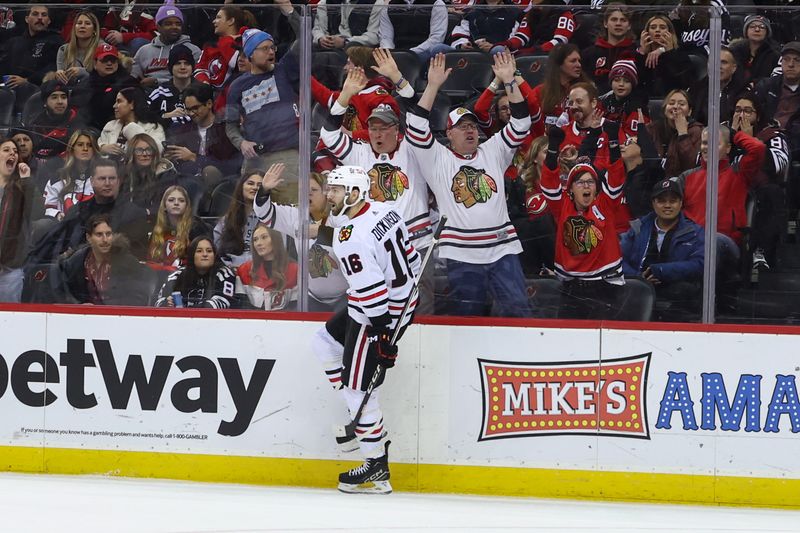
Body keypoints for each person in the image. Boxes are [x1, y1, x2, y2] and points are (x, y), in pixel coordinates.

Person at [310, 164, 421, 494]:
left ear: (355, 193)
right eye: (329, 189)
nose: (329, 194)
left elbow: (372, 291)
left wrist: (381, 334)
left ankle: (376, 466)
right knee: (323, 342)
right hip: (397, 304)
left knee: (359, 388)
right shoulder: (387, 210)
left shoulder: (349, 238)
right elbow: (412, 260)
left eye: (336, 190)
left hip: (375, 314)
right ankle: (357, 408)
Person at [405, 52, 532, 317]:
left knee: (519, 312)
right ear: (449, 134)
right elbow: (416, 124)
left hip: (502, 249)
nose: (470, 130)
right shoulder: (437, 159)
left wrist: (510, 82)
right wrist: (432, 86)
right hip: (462, 256)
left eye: (472, 125)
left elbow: (521, 123)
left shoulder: (493, 150)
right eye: (462, 127)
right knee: (468, 320)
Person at [319, 62, 434, 311]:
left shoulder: (414, 148)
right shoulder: (359, 154)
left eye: (384, 128)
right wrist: (346, 95)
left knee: (421, 315)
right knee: (378, 310)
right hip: (375, 248)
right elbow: (329, 136)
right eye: (373, 127)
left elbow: (419, 115)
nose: (377, 134)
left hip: (417, 246)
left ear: (397, 129)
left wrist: (397, 77)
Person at [254, 165, 349, 311]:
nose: (308, 194)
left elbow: (352, 238)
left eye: (314, 190)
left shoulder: (340, 215)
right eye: (303, 191)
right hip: (311, 298)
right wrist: (264, 190)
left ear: (326, 194)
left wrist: (320, 231)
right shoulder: (295, 216)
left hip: (345, 297)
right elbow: (264, 213)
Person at [225, 21, 301, 196]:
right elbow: (230, 125)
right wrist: (241, 142)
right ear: (251, 54)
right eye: (265, 48)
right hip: (255, 161)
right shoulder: (237, 86)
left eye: (272, 48)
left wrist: (289, 13)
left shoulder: (283, 70)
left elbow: (303, 36)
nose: (271, 52)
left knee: (289, 211)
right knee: (249, 214)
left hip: (287, 156)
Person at [677, 124, 765, 272]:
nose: (707, 147)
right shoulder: (686, 177)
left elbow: (758, 148)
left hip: (725, 243)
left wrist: (734, 134)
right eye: (705, 143)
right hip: (690, 242)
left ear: (728, 148)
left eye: (714, 143)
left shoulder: (739, 174)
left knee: (712, 240)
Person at [620, 178, 704, 321]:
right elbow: (618, 259)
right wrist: (639, 278)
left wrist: (660, 271)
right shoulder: (638, 228)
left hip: (679, 303)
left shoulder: (695, 232)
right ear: (653, 203)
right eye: (661, 201)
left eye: (673, 201)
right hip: (638, 297)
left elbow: (700, 264)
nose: (667, 205)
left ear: (681, 203)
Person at [730, 94, 791, 269]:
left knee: (771, 192)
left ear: (758, 114)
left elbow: (778, 164)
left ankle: (760, 250)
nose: (742, 115)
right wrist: (732, 137)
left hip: (761, 188)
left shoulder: (773, 135)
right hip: (732, 184)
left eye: (748, 111)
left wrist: (751, 142)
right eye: (738, 110)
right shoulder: (724, 133)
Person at [59, 213, 155, 306]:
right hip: (84, 318)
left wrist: (103, 308)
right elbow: (63, 293)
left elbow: (138, 298)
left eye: (108, 234)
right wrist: (79, 305)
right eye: (99, 235)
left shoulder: (128, 263)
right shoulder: (76, 262)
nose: (105, 240)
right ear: (88, 238)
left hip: (118, 318)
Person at [165, 83, 241, 198]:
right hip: (189, 182)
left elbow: (230, 166)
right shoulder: (184, 131)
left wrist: (194, 158)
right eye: (188, 109)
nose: (191, 114)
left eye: (195, 108)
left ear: (209, 104)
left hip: (221, 185)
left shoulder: (225, 130)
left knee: (209, 171)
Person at [0, 4, 62, 114]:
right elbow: (3, 65)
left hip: (37, 91)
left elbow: (53, 67)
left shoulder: (56, 41)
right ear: (27, 19)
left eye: (44, 15)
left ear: (49, 21)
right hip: (8, 90)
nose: (40, 18)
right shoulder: (14, 42)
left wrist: (27, 81)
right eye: (35, 14)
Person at [155, 236, 237, 309]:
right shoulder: (178, 274)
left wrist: (188, 311)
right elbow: (158, 302)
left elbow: (222, 302)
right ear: (192, 255)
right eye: (199, 251)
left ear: (214, 255)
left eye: (209, 251)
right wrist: (166, 303)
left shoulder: (224, 274)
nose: (205, 254)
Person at [131, 0, 201, 86]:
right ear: (158, 27)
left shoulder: (193, 50)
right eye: (168, 24)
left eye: (178, 24)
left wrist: (157, 81)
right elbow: (133, 77)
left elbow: (195, 80)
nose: (174, 27)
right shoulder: (144, 50)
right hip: (148, 93)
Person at [71, 43, 139, 132]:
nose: (109, 63)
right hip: (90, 129)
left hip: (120, 128)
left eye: (113, 60)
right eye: (104, 60)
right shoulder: (86, 83)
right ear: (95, 63)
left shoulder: (128, 82)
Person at [0, 138, 34, 302]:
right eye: (6, 150)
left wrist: (26, 179)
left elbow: (36, 212)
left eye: (14, 151)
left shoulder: (21, 187)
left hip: (9, 267)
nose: (12, 153)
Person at [235, 224, 299, 310]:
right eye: (255, 240)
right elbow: (241, 307)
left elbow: (296, 309)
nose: (258, 243)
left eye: (264, 237)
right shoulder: (244, 270)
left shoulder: (294, 270)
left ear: (275, 240)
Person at [754, 42, 800, 161]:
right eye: (786, 59)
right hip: (765, 138)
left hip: (794, 142)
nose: (791, 64)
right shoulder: (766, 86)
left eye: (797, 60)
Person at [529, 43, 589, 129]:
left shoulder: (585, 91)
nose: (578, 65)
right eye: (573, 61)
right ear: (559, 64)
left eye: (579, 61)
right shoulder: (540, 92)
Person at [646, 89, 704, 179]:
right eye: (671, 103)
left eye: (682, 104)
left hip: (682, 183)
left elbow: (691, 165)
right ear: (665, 108)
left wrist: (683, 134)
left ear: (689, 111)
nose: (676, 107)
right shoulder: (652, 129)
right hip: (655, 181)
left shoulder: (697, 131)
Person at [148, 186, 210, 269]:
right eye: (171, 200)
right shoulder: (158, 229)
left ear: (186, 206)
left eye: (181, 200)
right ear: (164, 206)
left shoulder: (196, 228)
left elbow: (203, 259)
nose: (176, 203)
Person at [42, 130, 98, 221]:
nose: (85, 149)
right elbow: (47, 208)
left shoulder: (101, 177)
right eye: (80, 145)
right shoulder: (58, 178)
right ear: (72, 149)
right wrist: (58, 215)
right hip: (63, 226)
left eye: (89, 145)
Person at [120, 133, 179, 218]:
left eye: (149, 150)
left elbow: (166, 206)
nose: (145, 154)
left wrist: (144, 212)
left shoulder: (167, 175)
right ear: (132, 154)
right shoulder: (125, 175)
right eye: (139, 150)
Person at [26, 80, 85, 163]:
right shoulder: (34, 125)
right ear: (45, 102)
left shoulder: (78, 124)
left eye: (64, 97)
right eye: (54, 97)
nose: (60, 102)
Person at [635, 14, 693, 97]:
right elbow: (636, 82)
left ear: (670, 32)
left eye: (662, 27)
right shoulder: (639, 55)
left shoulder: (681, 54)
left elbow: (682, 83)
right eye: (653, 27)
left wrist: (668, 52)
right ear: (646, 33)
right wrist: (642, 53)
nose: (657, 30)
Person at [583, 6, 637, 94]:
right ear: (605, 23)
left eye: (623, 20)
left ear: (629, 25)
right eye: (614, 19)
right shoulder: (589, 53)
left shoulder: (636, 51)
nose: (618, 24)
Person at [99, 87, 166, 158]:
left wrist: (132, 129)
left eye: (119, 101)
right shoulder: (110, 125)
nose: (114, 106)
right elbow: (96, 148)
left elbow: (158, 151)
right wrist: (102, 148)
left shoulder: (153, 127)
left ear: (132, 104)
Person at [214, 173, 262, 268]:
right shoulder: (226, 220)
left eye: (260, 185)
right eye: (250, 183)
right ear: (241, 187)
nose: (255, 188)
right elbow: (218, 251)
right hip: (231, 270)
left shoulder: (273, 220)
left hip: (261, 272)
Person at [194, 6, 247, 92]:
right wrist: (204, 82)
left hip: (236, 93)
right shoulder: (209, 46)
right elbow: (200, 69)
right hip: (210, 94)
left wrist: (226, 40)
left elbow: (234, 63)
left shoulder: (244, 43)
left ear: (231, 21)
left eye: (218, 17)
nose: (214, 21)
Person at [496, 0, 575, 57]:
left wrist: (533, 51)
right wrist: (506, 44)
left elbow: (559, 41)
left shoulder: (565, 14)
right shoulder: (531, 14)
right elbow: (521, 37)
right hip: (532, 53)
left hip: (552, 56)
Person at [688, 47, 744, 127]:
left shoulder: (743, 91)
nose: (718, 66)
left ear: (734, 68)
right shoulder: (695, 90)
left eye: (724, 62)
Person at [379, 0, 448, 63]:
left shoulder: (437, 4)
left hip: (424, 54)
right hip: (396, 55)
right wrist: (390, 54)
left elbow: (436, 39)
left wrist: (410, 53)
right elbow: (386, 38)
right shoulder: (389, 7)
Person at [146, 44, 196, 130]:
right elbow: (144, 116)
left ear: (192, 67)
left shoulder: (202, 91)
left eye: (187, 63)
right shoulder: (159, 92)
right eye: (178, 63)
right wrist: (166, 115)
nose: (183, 67)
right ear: (170, 67)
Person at [599, 59, 649, 139]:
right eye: (616, 80)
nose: (621, 84)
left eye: (626, 81)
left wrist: (604, 123)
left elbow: (631, 137)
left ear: (632, 84)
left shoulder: (638, 107)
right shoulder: (603, 102)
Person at [55, 10, 103, 87]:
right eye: (79, 23)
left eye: (87, 23)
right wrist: (59, 74)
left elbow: (104, 77)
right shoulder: (64, 49)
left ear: (94, 30)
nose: (82, 26)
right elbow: (62, 81)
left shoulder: (102, 49)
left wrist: (82, 72)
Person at [729, 15, 779, 86]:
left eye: (762, 27)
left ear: (767, 32)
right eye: (752, 26)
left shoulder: (774, 54)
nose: (757, 29)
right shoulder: (734, 51)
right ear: (746, 31)